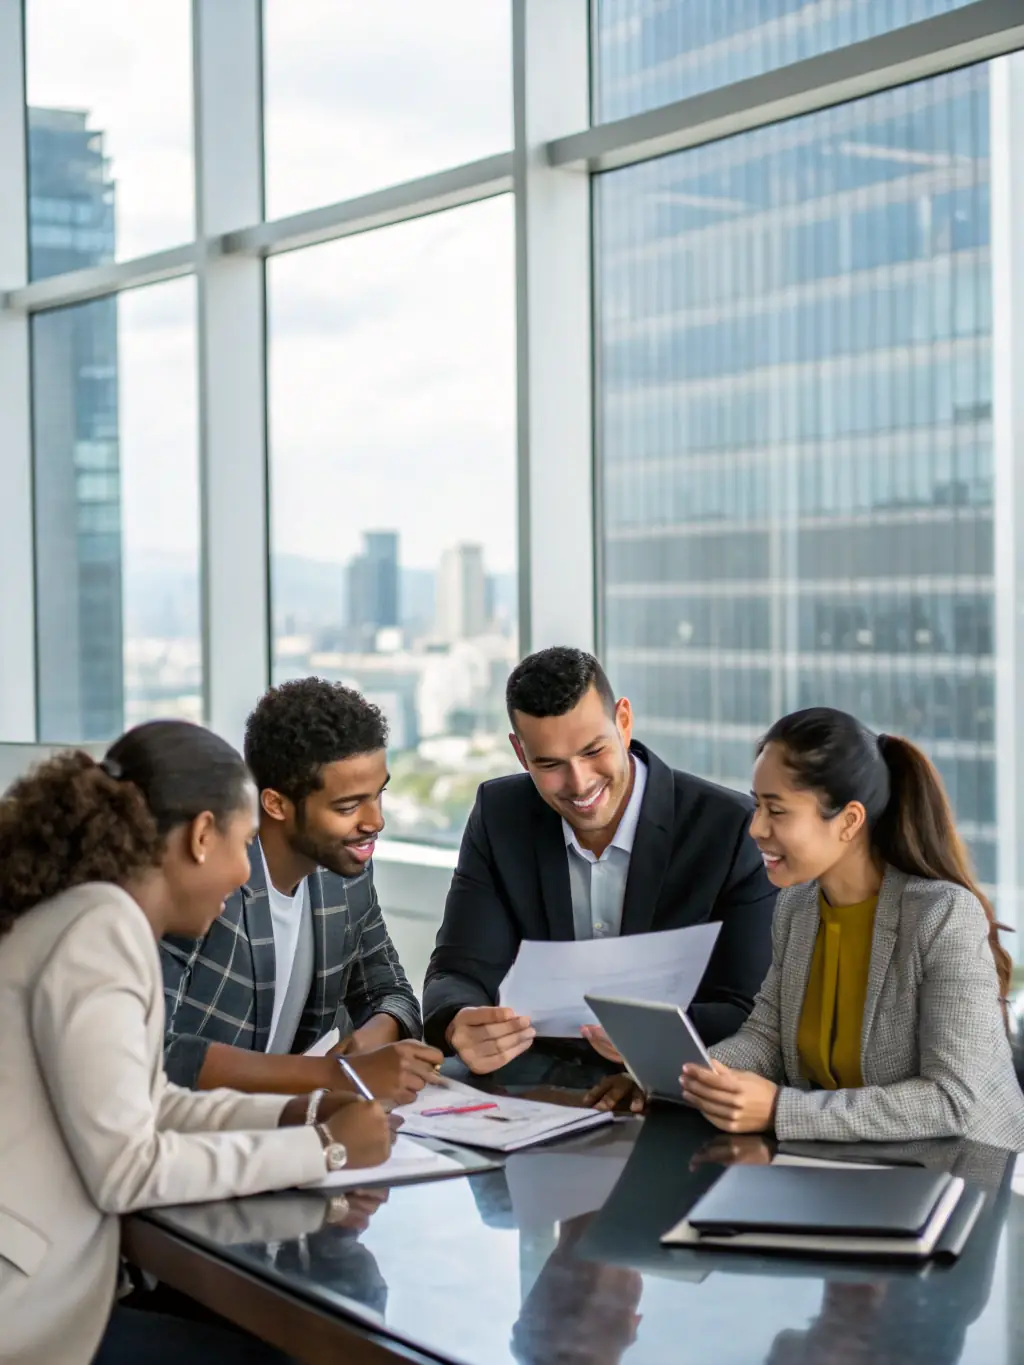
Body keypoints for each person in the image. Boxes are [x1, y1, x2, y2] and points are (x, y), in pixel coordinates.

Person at [0, 720, 393, 1365]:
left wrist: (294, 1113)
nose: (245, 877)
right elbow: (130, 1171)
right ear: (201, 836)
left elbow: (152, 1103)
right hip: (31, 1322)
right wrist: (323, 1149)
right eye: (243, 845)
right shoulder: (103, 931)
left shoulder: (88, 916)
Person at [664, 707, 1024, 1148]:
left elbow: (950, 1100)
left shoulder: (942, 915)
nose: (755, 827)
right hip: (852, 1167)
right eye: (757, 805)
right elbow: (767, 1039)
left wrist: (779, 1109)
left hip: (962, 1178)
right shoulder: (797, 907)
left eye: (776, 811)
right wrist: (683, 1079)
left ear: (850, 821)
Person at [423, 646, 777, 1086]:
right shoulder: (500, 814)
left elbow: (749, 1007)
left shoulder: (728, 828)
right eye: (549, 764)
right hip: (529, 1085)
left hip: (673, 1089)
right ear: (520, 753)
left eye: (593, 751)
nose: (579, 782)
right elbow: (457, 970)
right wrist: (459, 1021)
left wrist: (652, 1037)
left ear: (624, 722)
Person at [161, 679, 442, 1106]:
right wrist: (333, 1073)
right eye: (348, 806)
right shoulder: (203, 881)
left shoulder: (342, 874)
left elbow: (392, 993)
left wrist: (371, 1039)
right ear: (275, 804)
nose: (376, 821)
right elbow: (156, 1053)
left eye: (378, 795)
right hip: (192, 1137)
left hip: (291, 1130)